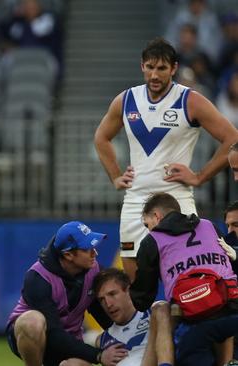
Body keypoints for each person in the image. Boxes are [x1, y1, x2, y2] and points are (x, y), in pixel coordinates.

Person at [93, 37, 238, 282]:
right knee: (136, 284)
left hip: (176, 199)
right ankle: (147, 321)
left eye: (161, 68)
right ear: (142, 66)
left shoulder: (189, 100)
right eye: (150, 67)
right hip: (136, 200)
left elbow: (232, 138)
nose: (154, 75)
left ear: (173, 68)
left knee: (189, 278)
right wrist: (116, 177)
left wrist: (200, 176)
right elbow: (101, 137)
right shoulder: (126, 100)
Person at [130, 192, 238, 366]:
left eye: (147, 224)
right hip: (232, 312)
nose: (148, 229)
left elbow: (141, 300)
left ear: (157, 217)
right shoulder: (209, 225)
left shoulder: (152, 241)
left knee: (161, 310)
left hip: (197, 322)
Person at [6, 221, 127, 366]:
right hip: (36, 337)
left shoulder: (94, 270)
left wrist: (127, 340)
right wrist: (99, 355)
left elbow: (101, 314)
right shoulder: (38, 278)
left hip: (69, 338)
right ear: (68, 255)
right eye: (88, 249)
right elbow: (52, 334)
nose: (95, 253)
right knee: (32, 321)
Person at [93, 268, 150, 366]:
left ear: (129, 291)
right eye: (102, 299)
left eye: (112, 294)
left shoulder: (156, 313)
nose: (108, 304)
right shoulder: (102, 340)